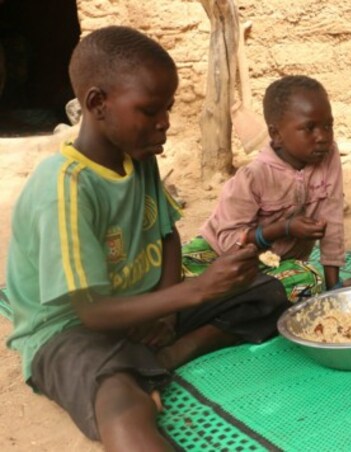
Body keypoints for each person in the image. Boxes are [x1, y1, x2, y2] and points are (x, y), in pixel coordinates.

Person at [5, 26, 290, 451]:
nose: (165, 124)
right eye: (150, 110)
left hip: (145, 305)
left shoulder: (137, 159)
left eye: (168, 109)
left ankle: (166, 356)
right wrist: (194, 292)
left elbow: (167, 236)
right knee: (118, 398)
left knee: (264, 293)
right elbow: (92, 313)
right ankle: (135, 375)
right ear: (97, 104)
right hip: (68, 329)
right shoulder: (64, 187)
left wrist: (167, 312)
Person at [183, 75, 351, 301]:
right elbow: (229, 243)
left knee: (309, 280)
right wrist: (283, 229)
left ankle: (225, 305)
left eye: (328, 125)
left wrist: (334, 287)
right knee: (174, 273)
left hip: (275, 267)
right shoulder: (253, 176)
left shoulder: (328, 155)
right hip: (220, 255)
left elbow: (332, 221)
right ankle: (230, 303)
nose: (323, 137)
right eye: (310, 128)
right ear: (276, 135)